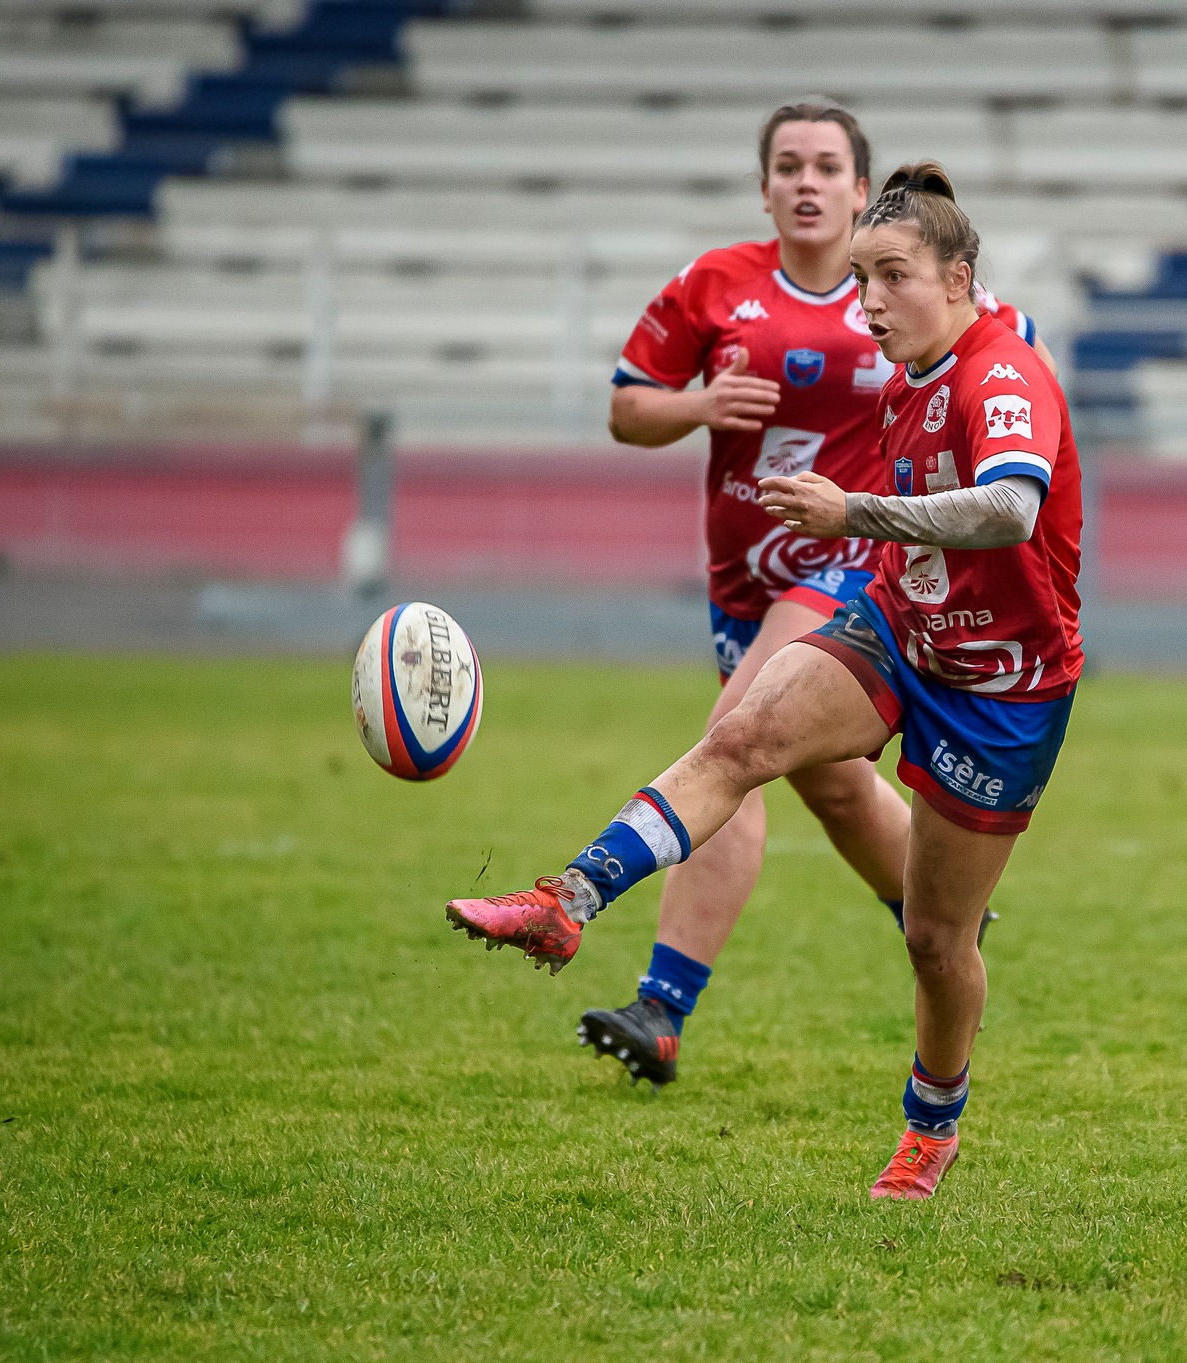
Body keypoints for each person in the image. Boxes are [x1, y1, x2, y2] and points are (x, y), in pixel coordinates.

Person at [448, 161, 1084, 1199]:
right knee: (741, 738)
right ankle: (565, 899)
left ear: (959, 279)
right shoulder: (911, 369)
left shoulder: (999, 372)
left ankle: (931, 1127)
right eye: (861, 279)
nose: (868, 301)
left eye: (891, 277)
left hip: (1002, 692)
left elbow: (1009, 510)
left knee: (935, 940)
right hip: (893, 629)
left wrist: (852, 514)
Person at [571, 102, 1055, 1091]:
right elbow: (625, 407)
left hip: (845, 564)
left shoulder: (918, 293)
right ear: (762, 188)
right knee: (828, 782)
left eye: (826, 165)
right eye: (786, 164)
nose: (804, 181)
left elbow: (1007, 371)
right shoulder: (714, 285)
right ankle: (939, 914)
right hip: (742, 579)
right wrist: (699, 405)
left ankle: (661, 1002)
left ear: (857, 186)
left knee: (737, 737)